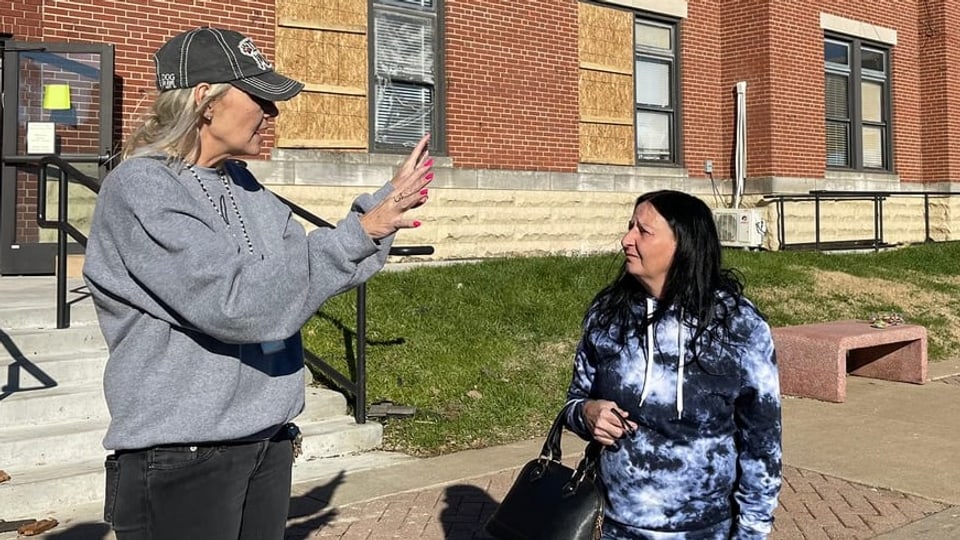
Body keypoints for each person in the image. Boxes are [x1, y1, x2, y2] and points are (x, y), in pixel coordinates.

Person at [82, 26, 433, 540]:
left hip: (264, 443)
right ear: (205, 99)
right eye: (260, 98)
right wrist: (361, 230)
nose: (272, 114)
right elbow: (238, 304)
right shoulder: (141, 188)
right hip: (184, 456)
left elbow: (307, 273)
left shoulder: (244, 184)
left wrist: (380, 211)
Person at [563, 190, 782, 539]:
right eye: (629, 227)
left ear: (684, 244)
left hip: (706, 529)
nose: (626, 239)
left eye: (643, 231)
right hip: (612, 526)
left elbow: (762, 441)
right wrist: (587, 413)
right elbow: (574, 402)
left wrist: (753, 530)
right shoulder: (608, 315)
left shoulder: (739, 325)